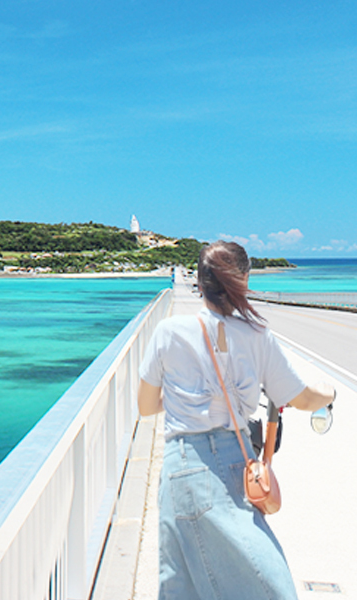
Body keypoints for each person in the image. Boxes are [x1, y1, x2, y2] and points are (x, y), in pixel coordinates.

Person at [138, 240, 335, 600]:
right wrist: (330, 394)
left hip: (179, 464)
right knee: (268, 585)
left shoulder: (169, 333)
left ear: (199, 282)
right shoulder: (257, 335)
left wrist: (189, 397)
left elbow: (146, 406)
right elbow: (302, 397)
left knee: (181, 586)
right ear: (242, 281)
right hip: (233, 459)